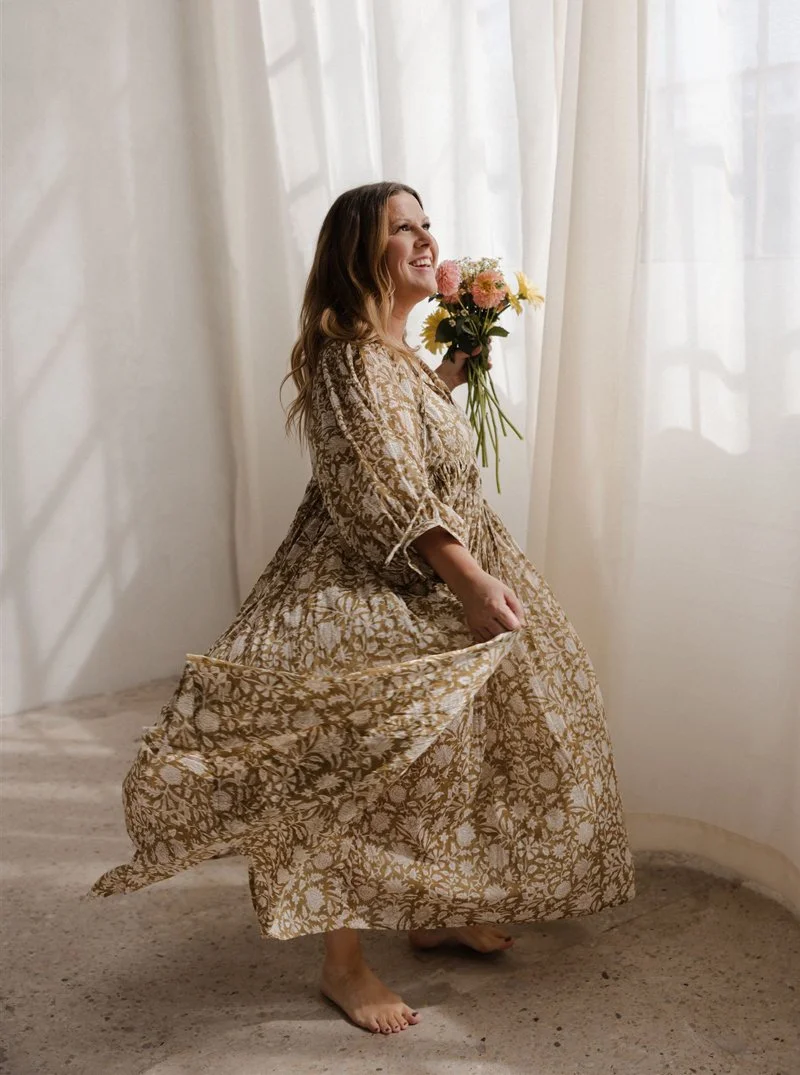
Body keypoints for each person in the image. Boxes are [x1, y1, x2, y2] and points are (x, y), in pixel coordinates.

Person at [90, 181, 636, 1035]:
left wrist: (450, 376)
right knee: (350, 758)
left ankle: (432, 908)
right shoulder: (346, 351)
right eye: (401, 228)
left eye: (427, 224)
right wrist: (468, 580)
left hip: (429, 567)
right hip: (370, 576)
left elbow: (407, 443)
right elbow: (381, 486)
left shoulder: (395, 354)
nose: (424, 239)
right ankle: (342, 964)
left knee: (466, 733)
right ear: (359, 250)